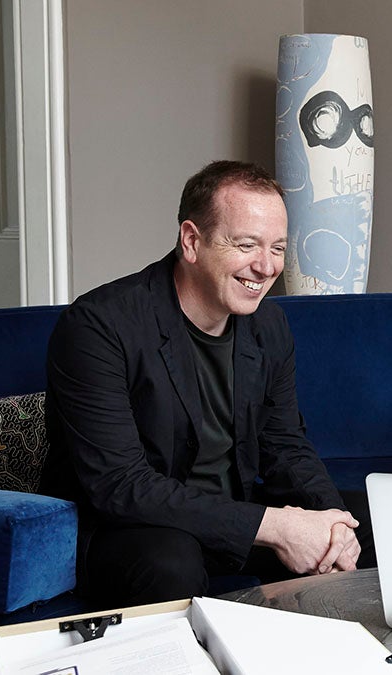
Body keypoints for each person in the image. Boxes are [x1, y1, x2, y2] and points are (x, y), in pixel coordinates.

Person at [43, 160, 365, 606]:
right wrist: (273, 526)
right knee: (170, 562)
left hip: (236, 515)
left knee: (374, 525)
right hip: (136, 529)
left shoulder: (269, 325)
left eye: (277, 247)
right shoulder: (97, 327)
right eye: (247, 244)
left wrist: (335, 523)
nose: (266, 267)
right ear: (192, 241)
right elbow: (121, 485)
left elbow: (285, 444)